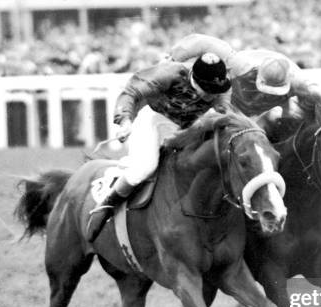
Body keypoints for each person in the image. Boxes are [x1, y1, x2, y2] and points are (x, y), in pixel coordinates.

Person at [86, 52, 232, 242]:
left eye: (216, 90)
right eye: (208, 90)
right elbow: (132, 91)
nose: (212, 95)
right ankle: (106, 206)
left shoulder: (221, 87)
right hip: (153, 120)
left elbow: (225, 115)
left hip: (186, 127)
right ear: (194, 79)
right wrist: (125, 121)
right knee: (145, 168)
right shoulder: (169, 74)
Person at [169, 33, 321, 120]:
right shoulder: (240, 64)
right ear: (259, 76)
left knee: (288, 119)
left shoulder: (298, 81)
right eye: (269, 89)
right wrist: (173, 57)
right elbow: (202, 42)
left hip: (264, 112)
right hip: (230, 104)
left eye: (275, 91)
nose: (270, 93)